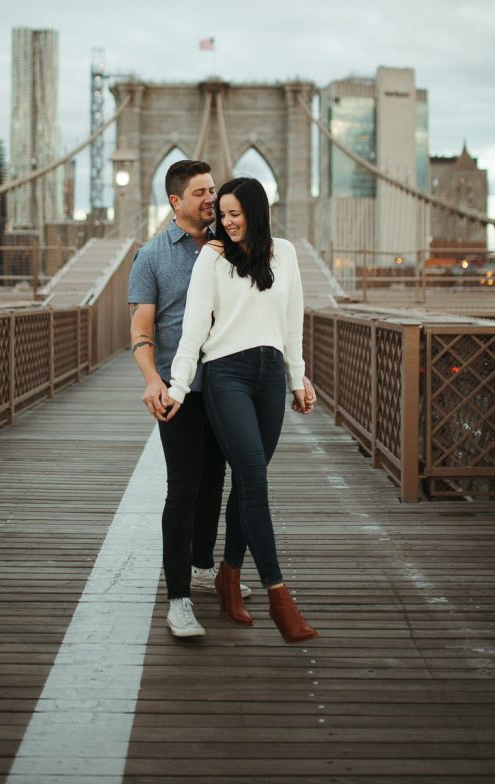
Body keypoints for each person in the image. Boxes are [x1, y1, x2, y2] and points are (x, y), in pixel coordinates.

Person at [166, 176, 318, 644]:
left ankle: (229, 575)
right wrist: (176, 385)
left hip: (270, 375)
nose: (226, 222)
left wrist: (298, 376)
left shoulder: (286, 253)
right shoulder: (211, 259)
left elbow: (292, 322)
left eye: (235, 213)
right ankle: (279, 595)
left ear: (256, 210)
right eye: (221, 214)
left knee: (247, 486)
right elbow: (194, 327)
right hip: (225, 375)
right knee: (254, 478)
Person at [128, 159, 243, 639]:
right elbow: (140, 329)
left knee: (214, 481)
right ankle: (178, 600)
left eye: (213, 189)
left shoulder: (234, 245)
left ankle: (202, 565)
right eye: (200, 192)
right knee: (183, 488)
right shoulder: (151, 257)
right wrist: (152, 379)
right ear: (176, 202)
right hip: (179, 390)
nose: (211, 198)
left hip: (227, 385)